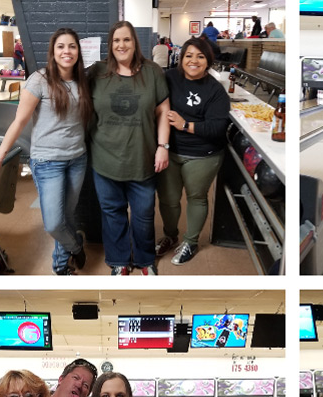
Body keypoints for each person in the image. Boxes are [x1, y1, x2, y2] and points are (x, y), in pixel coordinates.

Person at [0, 28, 93, 275]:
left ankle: (61, 267)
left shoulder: (82, 80)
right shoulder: (39, 80)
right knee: (54, 222)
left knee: (67, 215)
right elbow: (19, 122)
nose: (67, 51)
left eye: (72, 46)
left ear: (78, 51)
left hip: (77, 158)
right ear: (53, 52)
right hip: (47, 162)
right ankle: (75, 246)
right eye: (61, 46)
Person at [87, 20, 170, 276]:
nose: (121, 45)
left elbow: (163, 110)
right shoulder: (96, 73)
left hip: (142, 158)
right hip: (105, 158)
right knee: (113, 214)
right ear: (110, 45)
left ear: (135, 43)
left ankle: (145, 260)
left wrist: (163, 146)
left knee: (144, 215)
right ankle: (119, 260)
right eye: (116, 40)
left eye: (127, 40)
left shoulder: (152, 71)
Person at [155, 37, 231, 265]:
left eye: (200, 56)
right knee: (168, 199)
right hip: (170, 150)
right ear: (181, 58)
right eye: (189, 55)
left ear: (208, 60)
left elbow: (218, 127)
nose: (194, 61)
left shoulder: (216, 91)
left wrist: (185, 124)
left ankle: (190, 241)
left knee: (196, 197)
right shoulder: (168, 78)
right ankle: (170, 235)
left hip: (203, 154)